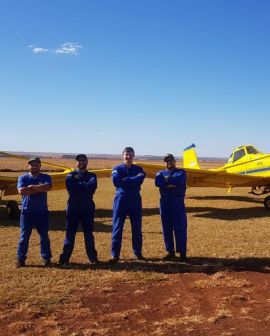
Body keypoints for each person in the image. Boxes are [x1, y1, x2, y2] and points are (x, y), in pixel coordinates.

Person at [59, 154, 98, 266]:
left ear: (87, 162)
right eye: (79, 160)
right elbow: (72, 187)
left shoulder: (92, 175)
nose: (81, 162)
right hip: (73, 207)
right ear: (76, 163)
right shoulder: (70, 175)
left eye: (83, 160)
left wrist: (79, 184)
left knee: (89, 234)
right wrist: (83, 186)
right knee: (70, 234)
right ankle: (64, 259)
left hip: (87, 207)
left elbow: (91, 188)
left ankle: (93, 258)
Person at [110, 147, 146, 262]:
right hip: (121, 200)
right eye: (126, 154)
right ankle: (115, 255)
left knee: (136, 228)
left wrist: (125, 180)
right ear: (122, 155)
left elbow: (140, 179)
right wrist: (132, 180)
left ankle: (137, 253)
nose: (128, 157)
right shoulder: (116, 169)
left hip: (135, 200)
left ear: (133, 155)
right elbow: (116, 181)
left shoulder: (139, 169)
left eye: (130, 154)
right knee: (117, 228)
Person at [16, 157, 52, 267]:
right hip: (27, 212)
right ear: (28, 166)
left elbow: (47, 187)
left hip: (42, 212)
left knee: (44, 236)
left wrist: (31, 187)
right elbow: (22, 191)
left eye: (37, 164)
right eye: (32, 164)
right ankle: (20, 259)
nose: (34, 166)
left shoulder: (46, 177)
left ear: (40, 166)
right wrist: (39, 188)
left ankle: (46, 258)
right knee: (24, 236)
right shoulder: (23, 177)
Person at [155, 154, 188, 262]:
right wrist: (170, 183)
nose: (169, 162)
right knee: (166, 228)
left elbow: (178, 180)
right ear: (164, 162)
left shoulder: (181, 172)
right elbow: (158, 182)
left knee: (180, 228)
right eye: (166, 160)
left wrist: (167, 182)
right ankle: (170, 252)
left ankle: (182, 253)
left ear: (174, 161)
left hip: (177, 204)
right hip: (165, 204)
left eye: (171, 160)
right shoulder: (160, 173)